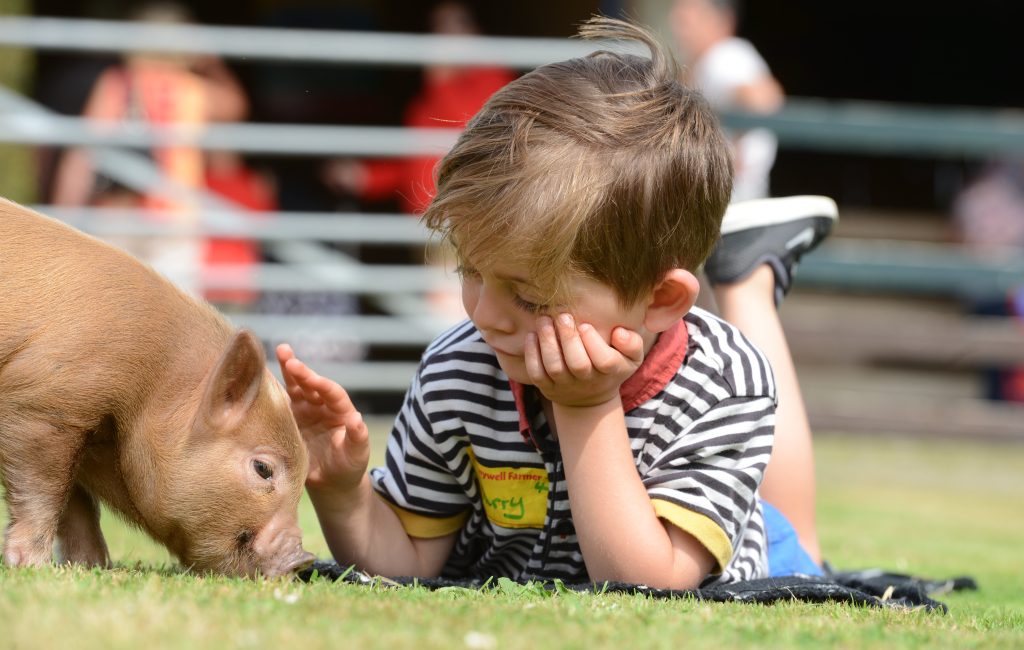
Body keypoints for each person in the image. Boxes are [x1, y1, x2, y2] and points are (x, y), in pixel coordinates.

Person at [276, 17, 834, 589]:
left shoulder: (724, 383)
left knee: (800, 545)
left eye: (528, 295)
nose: (485, 314)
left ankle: (747, 280)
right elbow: (411, 565)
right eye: (471, 270)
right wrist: (345, 494)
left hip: (748, 543)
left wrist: (586, 407)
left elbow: (651, 585)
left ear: (660, 299)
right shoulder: (458, 370)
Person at [50, 1, 270, 305]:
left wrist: (64, 217)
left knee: (114, 309)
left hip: (120, 213)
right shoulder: (193, 89)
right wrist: (210, 62)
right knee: (177, 315)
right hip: (176, 216)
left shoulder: (118, 83)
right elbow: (237, 105)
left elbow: (83, 155)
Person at [669, 0, 784, 202]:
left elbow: (766, 99)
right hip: (729, 196)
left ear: (721, 21)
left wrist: (733, 151)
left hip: (733, 199)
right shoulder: (705, 62)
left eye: (687, 20)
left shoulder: (724, 55)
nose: (679, 29)